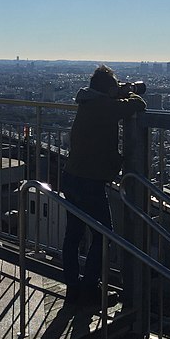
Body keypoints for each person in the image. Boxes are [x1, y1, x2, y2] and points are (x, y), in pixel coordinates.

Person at [61, 66, 145, 317]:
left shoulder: (88, 101)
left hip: (72, 176)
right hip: (90, 181)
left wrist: (117, 92)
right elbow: (138, 103)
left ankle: (73, 290)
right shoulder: (104, 107)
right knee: (103, 235)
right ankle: (90, 292)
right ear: (107, 89)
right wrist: (128, 92)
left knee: (73, 235)